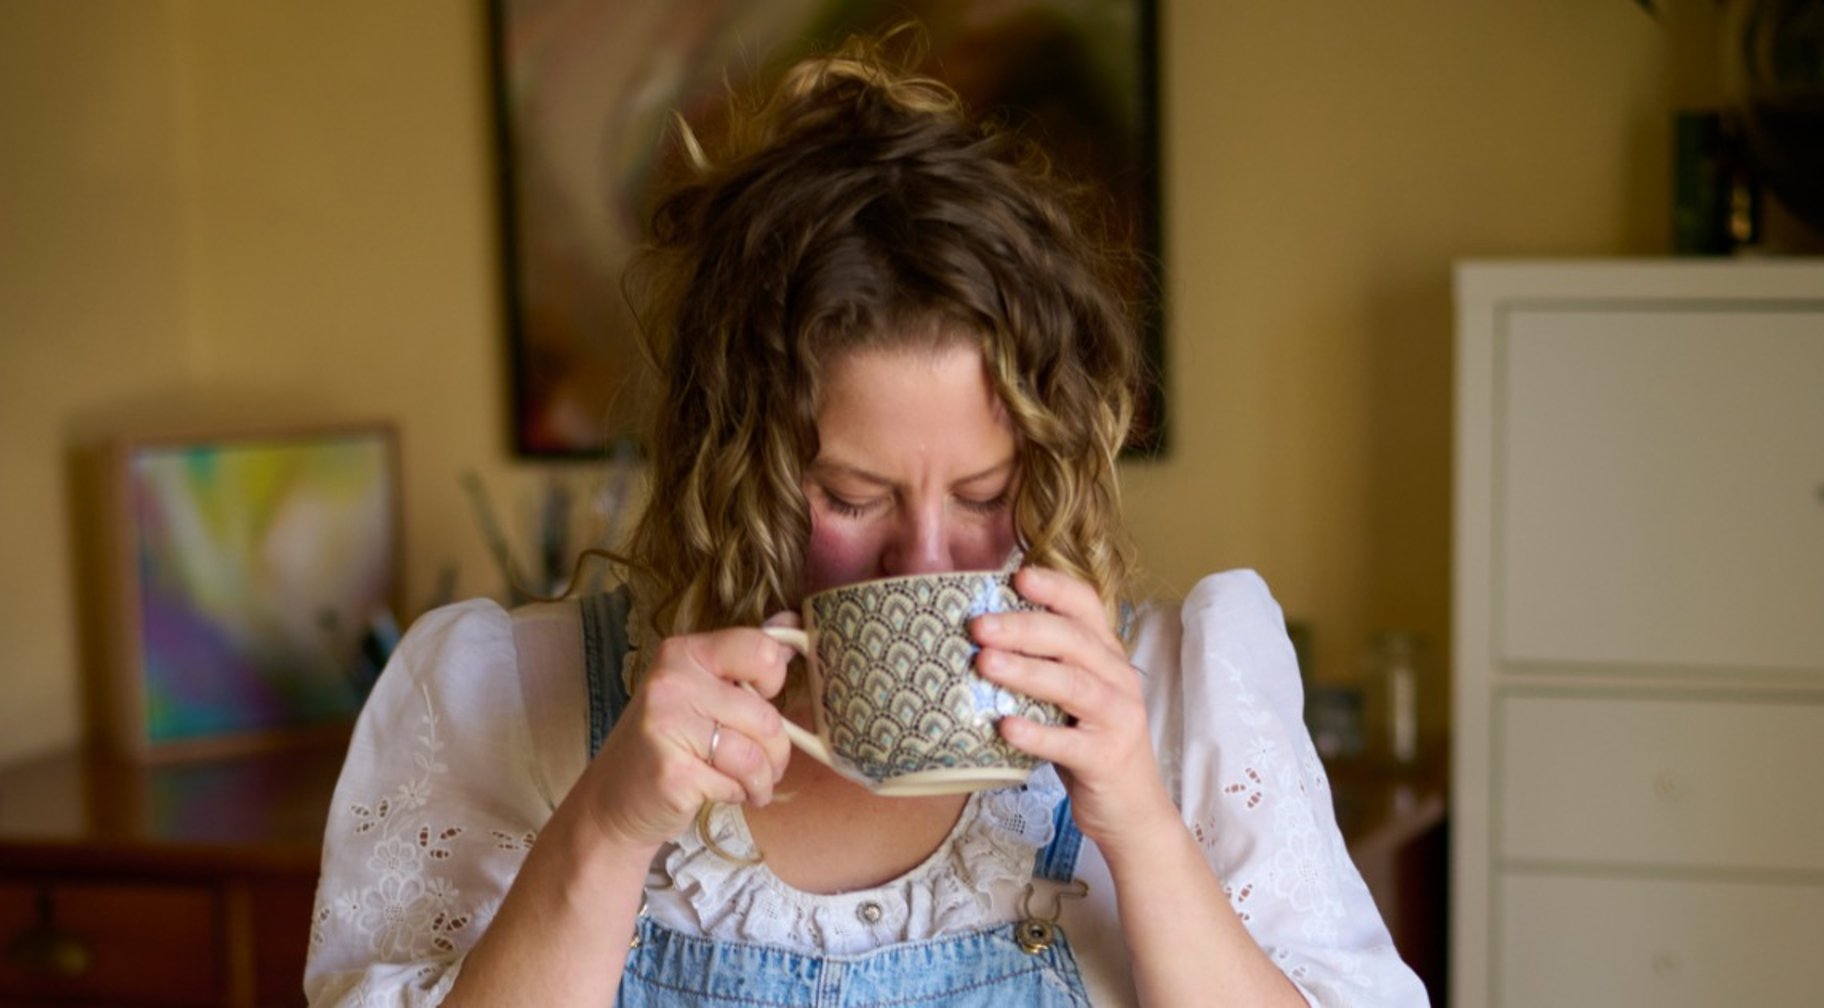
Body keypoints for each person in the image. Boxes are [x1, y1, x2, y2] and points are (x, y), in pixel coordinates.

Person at [305, 33, 1427, 1008]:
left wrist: (1138, 824)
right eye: (851, 497)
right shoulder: (511, 700)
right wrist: (601, 834)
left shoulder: (1181, 699)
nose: (927, 560)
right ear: (731, 468)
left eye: (987, 497)